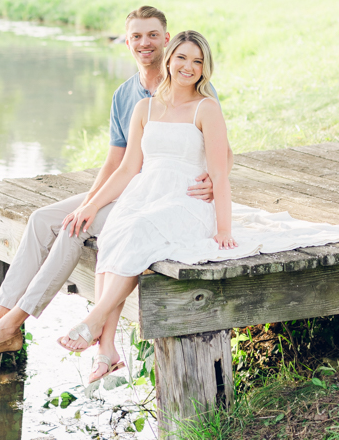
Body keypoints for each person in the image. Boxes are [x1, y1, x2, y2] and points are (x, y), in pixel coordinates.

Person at [0, 7, 233, 363]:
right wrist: (91, 203)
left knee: (73, 229)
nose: (145, 43)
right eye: (137, 36)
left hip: (162, 193)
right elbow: (117, 163)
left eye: (153, 35)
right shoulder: (128, 97)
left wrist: (209, 180)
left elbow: (222, 154)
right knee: (42, 219)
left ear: (166, 40)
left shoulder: (195, 87)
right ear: (127, 42)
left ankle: (11, 327)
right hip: (132, 186)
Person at [57, 30, 235, 378]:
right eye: (182, 57)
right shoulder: (145, 107)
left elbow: (220, 171)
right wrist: (93, 204)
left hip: (186, 202)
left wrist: (224, 227)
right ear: (168, 59)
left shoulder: (206, 108)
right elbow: (127, 169)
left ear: (204, 68)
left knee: (137, 230)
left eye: (197, 61)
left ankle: (94, 320)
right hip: (146, 192)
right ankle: (106, 352)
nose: (189, 66)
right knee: (114, 232)